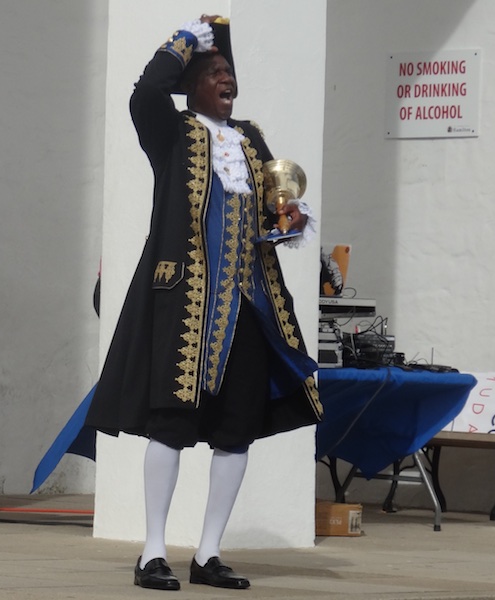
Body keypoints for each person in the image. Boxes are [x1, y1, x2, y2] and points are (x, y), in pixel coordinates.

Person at [85, 15, 323, 591]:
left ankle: (209, 553)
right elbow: (143, 91)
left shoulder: (251, 138)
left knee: (236, 430)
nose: (228, 80)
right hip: (184, 305)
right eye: (216, 72)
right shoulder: (172, 132)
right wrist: (186, 42)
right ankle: (152, 552)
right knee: (170, 424)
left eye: (230, 72)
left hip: (248, 306)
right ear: (190, 84)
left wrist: (291, 221)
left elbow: (272, 206)